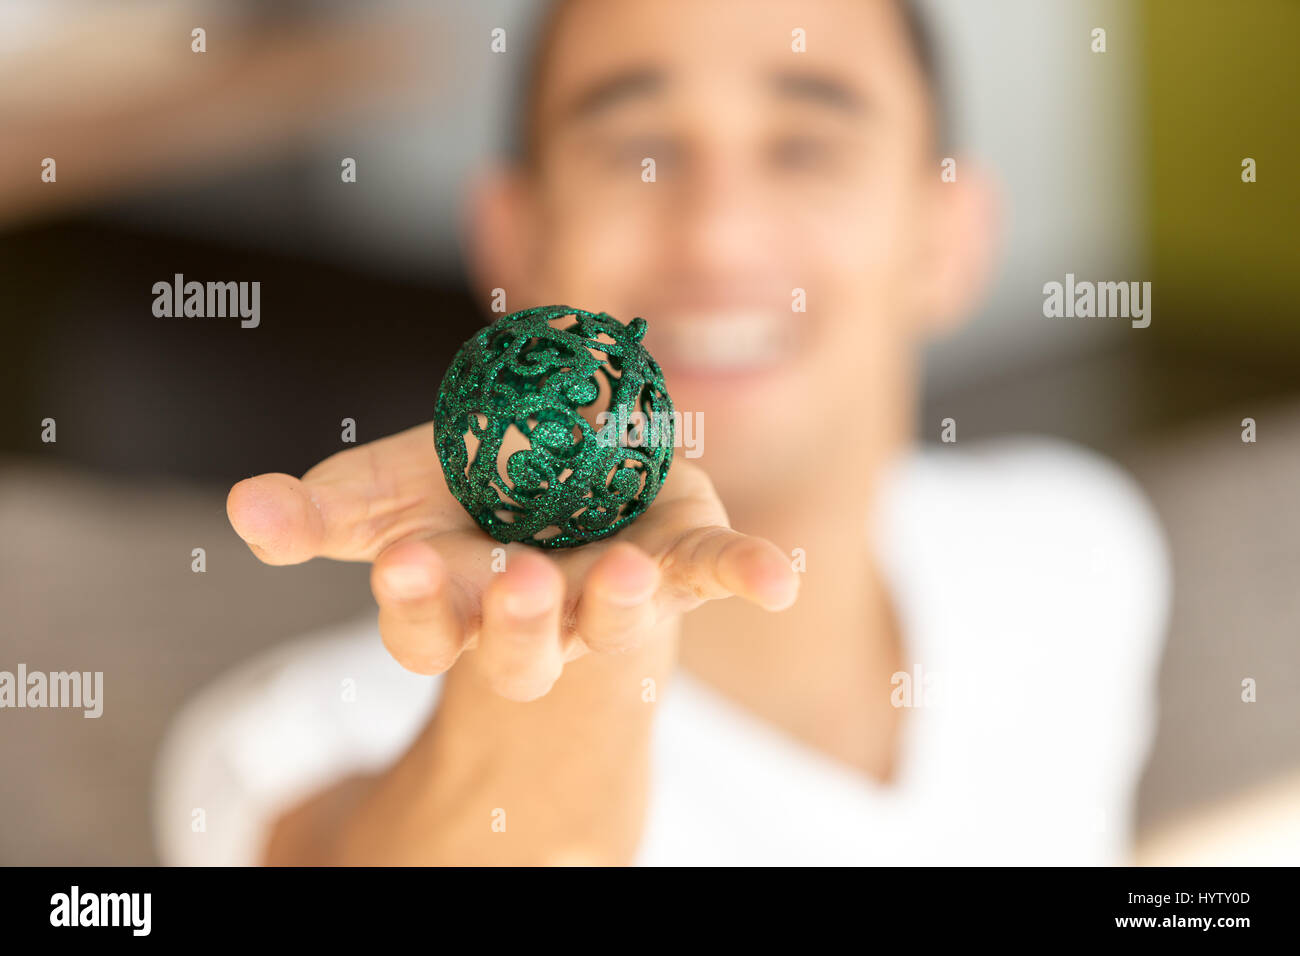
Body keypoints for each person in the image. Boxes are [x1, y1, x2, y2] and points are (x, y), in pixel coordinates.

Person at [155, 0, 1169, 866]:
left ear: (948, 238)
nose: (716, 234)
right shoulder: (297, 738)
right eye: (638, 153)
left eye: (806, 145)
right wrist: (567, 648)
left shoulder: (1077, 551)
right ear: (515, 241)